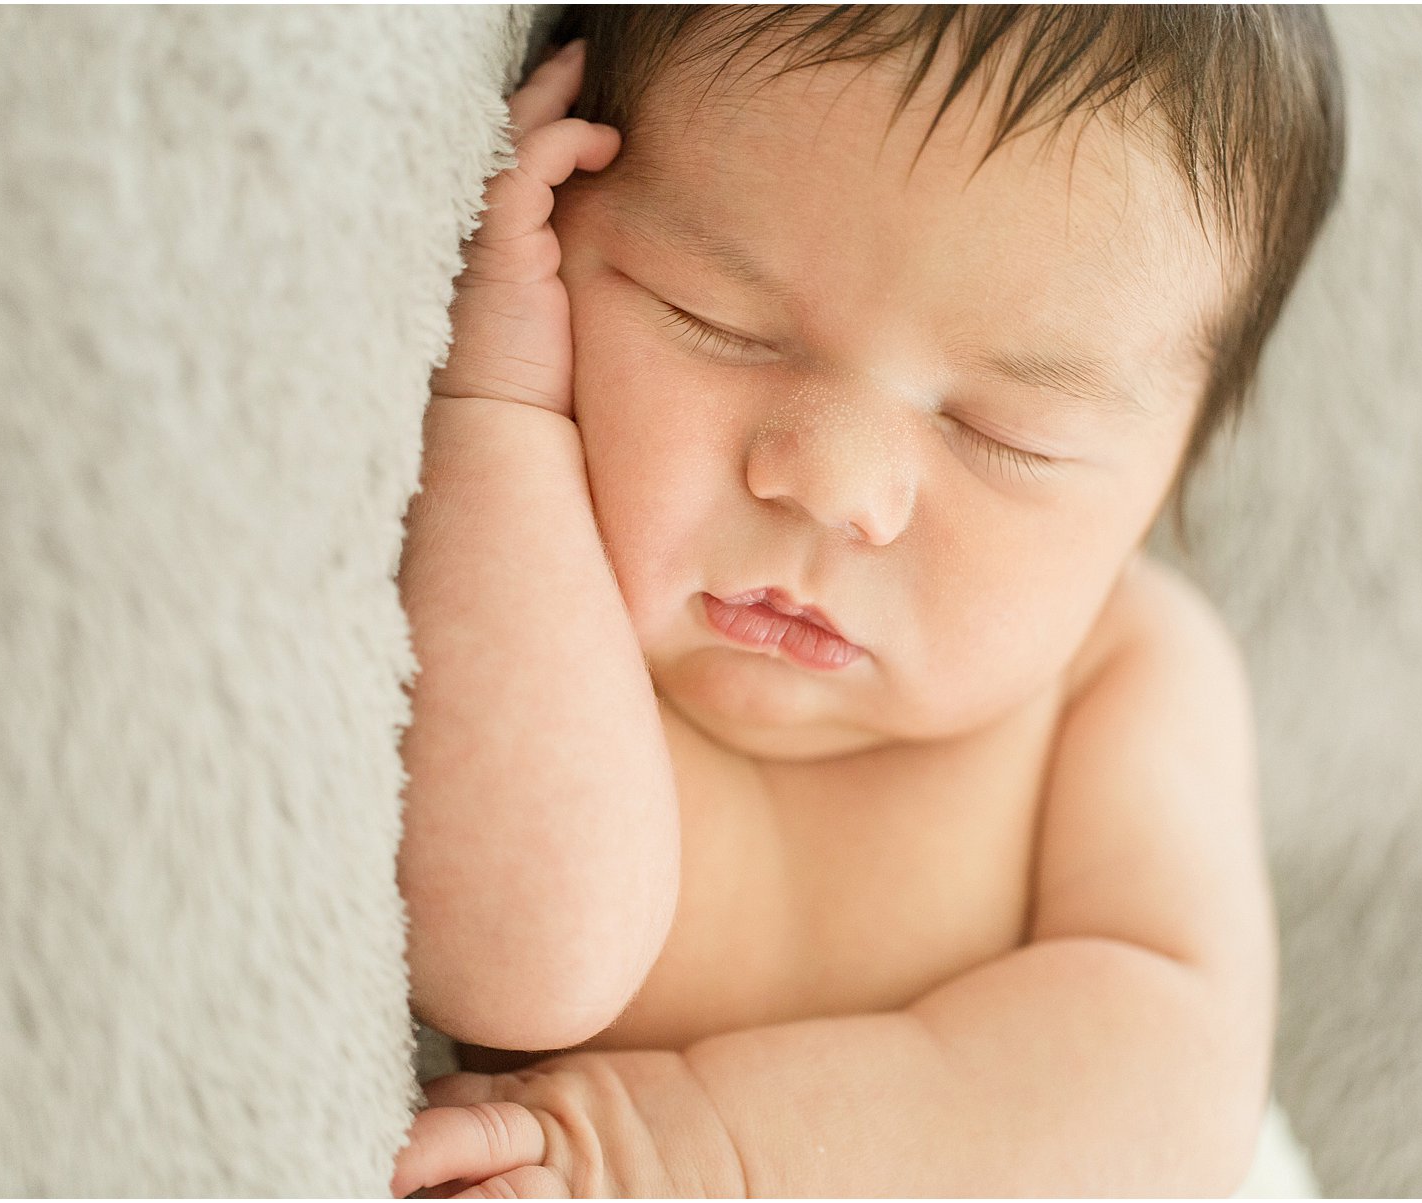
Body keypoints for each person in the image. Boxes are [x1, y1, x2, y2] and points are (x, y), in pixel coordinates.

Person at [392, 5, 1343, 1195]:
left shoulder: (1127, 670)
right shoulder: (543, 570)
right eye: (713, 321)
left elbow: (1166, 1096)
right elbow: (512, 955)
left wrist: (674, 1154)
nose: (834, 490)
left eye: (1009, 436)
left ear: (1165, 480)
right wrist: (499, 418)